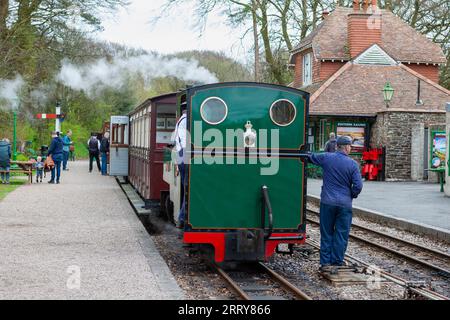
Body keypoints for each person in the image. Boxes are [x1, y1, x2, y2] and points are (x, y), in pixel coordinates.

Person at [308, 136, 363, 273]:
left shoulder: (327, 157)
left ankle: (325, 263)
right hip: (344, 204)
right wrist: (352, 195)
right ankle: (337, 261)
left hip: (327, 202)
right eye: (350, 146)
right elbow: (358, 185)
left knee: (326, 232)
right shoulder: (352, 164)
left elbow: (310, 157)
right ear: (346, 147)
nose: (350, 148)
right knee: (341, 233)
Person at [174, 102, 187, 228]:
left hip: (181, 154)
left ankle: (182, 217)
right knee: (190, 188)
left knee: (186, 187)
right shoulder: (186, 120)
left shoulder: (180, 121)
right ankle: (182, 217)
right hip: (185, 154)